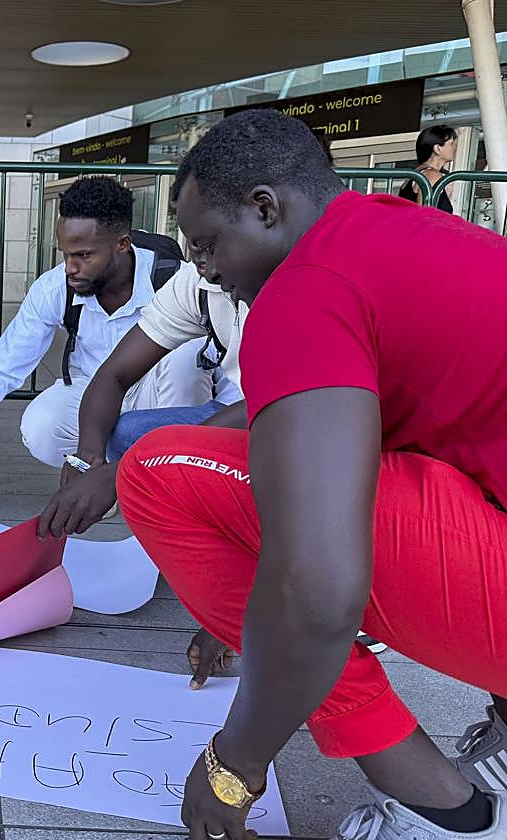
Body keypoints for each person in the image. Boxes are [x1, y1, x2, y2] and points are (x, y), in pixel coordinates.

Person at [87, 109, 507, 839]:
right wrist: (242, 597)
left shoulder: (303, 289)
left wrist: (236, 762)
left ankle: (448, 813)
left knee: (156, 472)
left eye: (209, 246)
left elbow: (317, 591)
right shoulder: (390, 230)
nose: (206, 271)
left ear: (265, 208)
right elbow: (279, 428)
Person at [0, 176, 215, 483]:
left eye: (83, 255)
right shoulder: (56, 286)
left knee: (187, 357)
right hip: (95, 391)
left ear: (122, 244)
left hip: (161, 394)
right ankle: (106, 475)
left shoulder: (175, 279)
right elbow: (2, 368)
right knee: (40, 425)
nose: (70, 267)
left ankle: (174, 479)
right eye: (66, 254)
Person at [398, 125, 458, 214]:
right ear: (437, 148)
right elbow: (425, 217)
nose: (454, 148)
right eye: (451, 144)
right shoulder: (432, 175)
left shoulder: (416, 173)